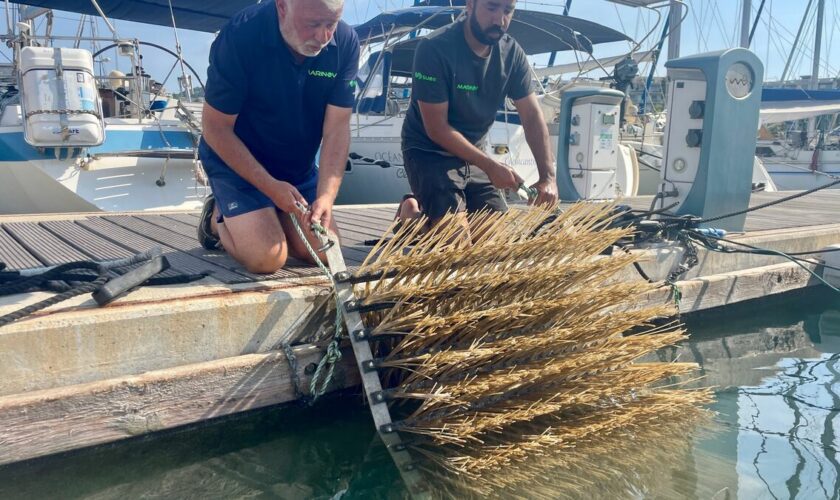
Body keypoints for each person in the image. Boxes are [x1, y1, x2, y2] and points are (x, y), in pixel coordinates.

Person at [196, 0, 359, 273]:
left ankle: (269, 214)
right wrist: (270, 186)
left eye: (331, 24)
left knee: (326, 251)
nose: (323, 37)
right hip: (237, 163)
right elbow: (214, 127)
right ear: (282, 6)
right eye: (312, 24)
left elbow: (337, 127)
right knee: (267, 258)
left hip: (296, 168)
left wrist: (327, 196)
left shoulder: (346, 42)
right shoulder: (240, 35)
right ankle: (216, 218)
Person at [399, 0, 557, 233]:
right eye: (491, 8)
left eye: (507, 11)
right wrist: (491, 166)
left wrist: (548, 177)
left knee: (490, 242)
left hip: (473, 154)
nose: (499, 20)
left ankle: (427, 217)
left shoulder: (512, 53)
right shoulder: (433, 48)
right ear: (470, 4)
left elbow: (532, 115)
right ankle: (410, 214)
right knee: (454, 241)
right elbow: (437, 128)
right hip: (429, 152)